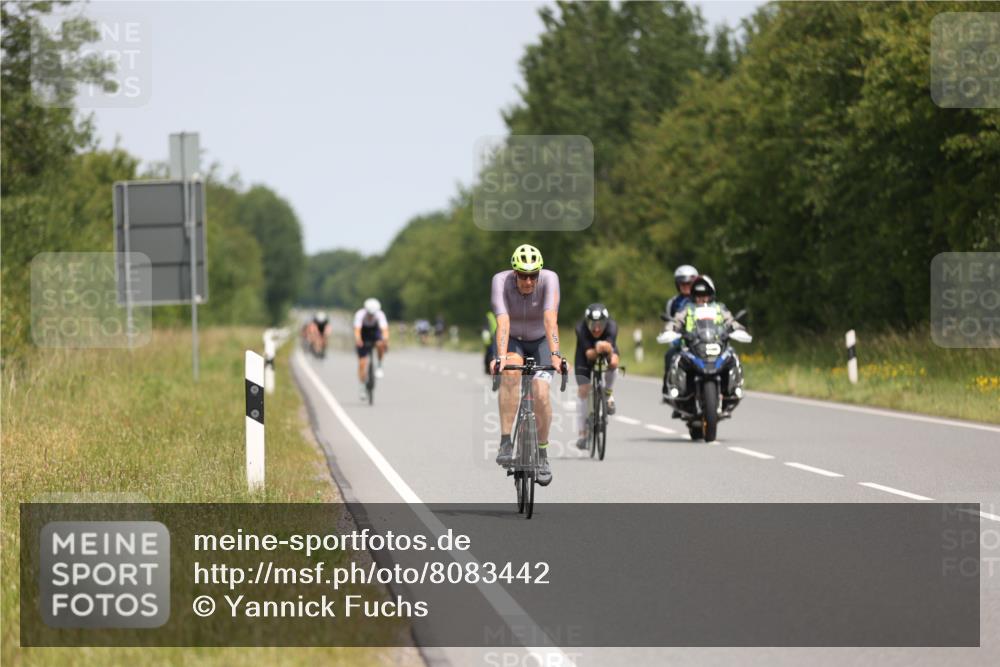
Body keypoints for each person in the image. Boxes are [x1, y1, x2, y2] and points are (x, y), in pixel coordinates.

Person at [491, 243, 562, 486]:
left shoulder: (550, 279)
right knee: (510, 375)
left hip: (541, 340)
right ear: (514, 273)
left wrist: (555, 355)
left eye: (533, 276)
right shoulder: (500, 281)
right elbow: (503, 322)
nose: (529, 282)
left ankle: (542, 454)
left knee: (541, 392)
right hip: (512, 341)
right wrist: (500, 357)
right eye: (523, 275)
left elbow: (550, 319)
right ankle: (505, 441)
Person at [573, 303, 620, 450]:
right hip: (584, 354)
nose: (597, 329)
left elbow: (611, 352)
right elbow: (590, 354)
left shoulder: (612, 327)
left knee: (613, 362)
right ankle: (583, 434)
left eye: (600, 324)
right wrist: (599, 347)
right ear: (587, 322)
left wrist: (606, 350)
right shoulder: (580, 329)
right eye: (592, 324)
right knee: (583, 390)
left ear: (606, 322)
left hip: (606, 350)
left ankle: (608, 394)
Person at [663, 265, 698, 402]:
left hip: (702, 339)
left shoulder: (701, 299)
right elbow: (669, 322)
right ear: (678, 284)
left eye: (689, 283)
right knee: (670, 355)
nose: (686, 286)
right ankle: (668, 388)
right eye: (682, 283)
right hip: (682, 340)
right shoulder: (673, 303)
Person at [353, 298, 389, 400]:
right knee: (362, 363)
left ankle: (380, 365)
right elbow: (357, 330)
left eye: (373, 314)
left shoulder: (380, 315)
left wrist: (385, 340)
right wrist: (358, 339)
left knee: (380, 344)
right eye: (369, 314)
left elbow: (384, 330)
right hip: (363, 333)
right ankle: (362, 387)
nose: (370, 316)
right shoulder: (360, 314)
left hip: (375, 332)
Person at [482, 310, 498, 375]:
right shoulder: (489, 315)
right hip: (492, 339)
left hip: (500, 337)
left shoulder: (506, 312)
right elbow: (486, 327)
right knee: (489, 353)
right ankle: (487, 369)